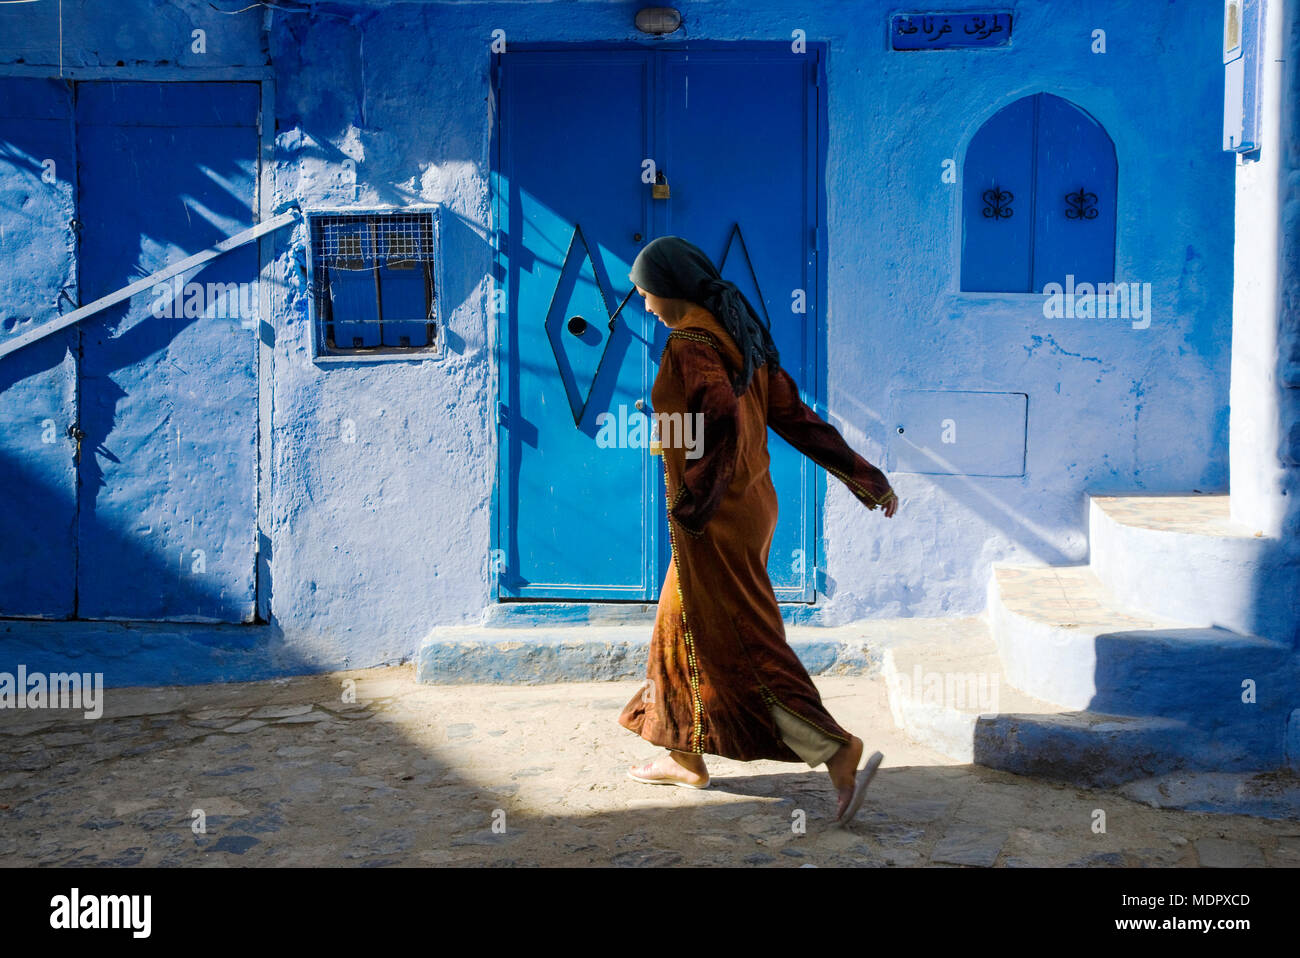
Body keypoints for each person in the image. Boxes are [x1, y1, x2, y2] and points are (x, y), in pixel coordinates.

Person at [617, 235, 899, 826]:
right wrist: (864, 476)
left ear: (671, 290)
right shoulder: (739, 340)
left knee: (744, 641)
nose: (644, 304)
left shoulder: (690, 347)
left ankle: (835, 747)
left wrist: (694, 499)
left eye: (646, 293)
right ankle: (684, 754)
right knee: (678, 624)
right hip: (746, 506)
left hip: (715, 516)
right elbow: (794, 416)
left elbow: (716, 423)